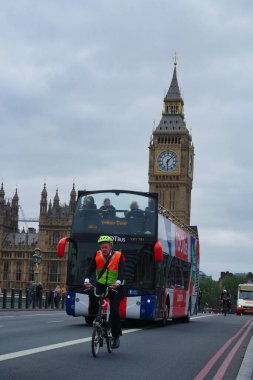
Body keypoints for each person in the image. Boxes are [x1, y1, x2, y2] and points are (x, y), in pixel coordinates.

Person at [84, 235, 125, 349]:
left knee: (115, 311)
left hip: (115, 286)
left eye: (106, 247)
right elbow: (90, 268)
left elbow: (122, 271)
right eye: (102, 247)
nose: (104, 249)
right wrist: (87, 280)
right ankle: (96, 316)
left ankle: (116, 336)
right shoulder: (97, 255)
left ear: (110, 246)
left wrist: (118, 282)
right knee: (92, 293)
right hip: (101, 284)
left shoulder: (118, 255)